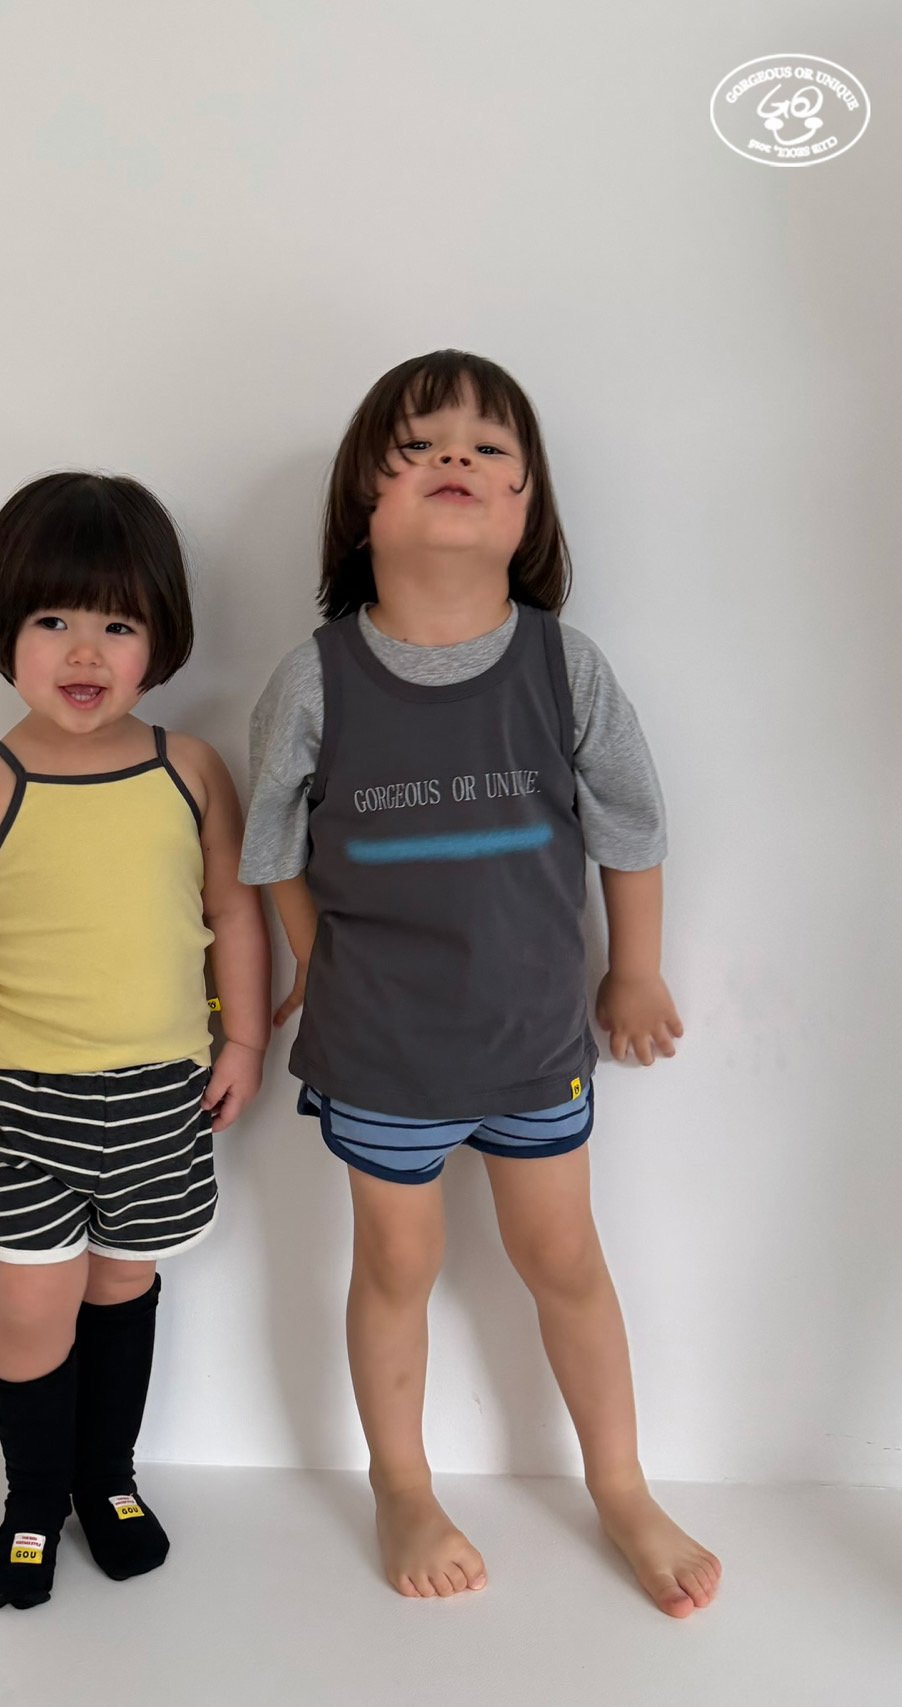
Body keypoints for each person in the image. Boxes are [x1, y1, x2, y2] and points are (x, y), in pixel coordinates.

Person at [240, 350, 722, 1615]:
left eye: (487, 448)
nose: (454, 457)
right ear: (361, 506)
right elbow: (271, 846)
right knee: (393, 1269)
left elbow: (629, 829)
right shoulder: (315, 676)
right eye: (417, 446)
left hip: (533, 1044)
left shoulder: (564, 668)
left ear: (525, 508)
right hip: (378, 1055)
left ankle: (620, 1487)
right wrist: (311, 965)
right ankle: (401, 1484)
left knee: (564, 1261)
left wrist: (634, 971)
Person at [0, 472, 270, 1609]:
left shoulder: (188, 770)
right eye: (52, 618)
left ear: (159, 640)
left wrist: (243, 1042)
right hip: (22, 1107)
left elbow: (233, 914)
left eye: (117, 624)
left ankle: (105, 1480)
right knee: (29, 1312)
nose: (83, 650)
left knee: (123, 1290)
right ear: (2, 631)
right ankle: (31, 1502)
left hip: (163, 1097)